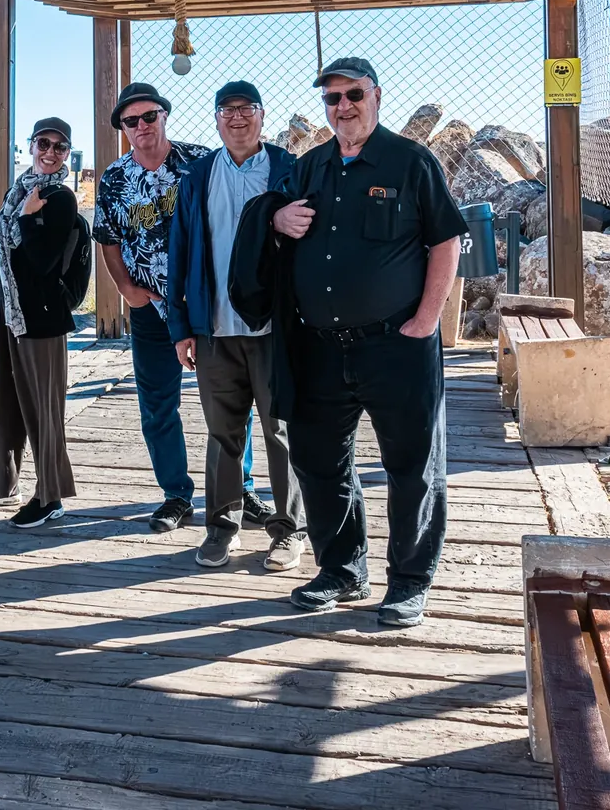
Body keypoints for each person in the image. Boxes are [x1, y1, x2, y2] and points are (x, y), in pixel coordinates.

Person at [230, 57, 467, 628]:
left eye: (353, 94)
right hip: (318, 347)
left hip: (397, 343)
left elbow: (446, 240)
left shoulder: (411, 162)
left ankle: (409, 581)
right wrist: (277, 216)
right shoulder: (311, 166)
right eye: (332, 98)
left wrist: (427, 320)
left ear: (376, 96)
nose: (343, 107)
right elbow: (273, 215)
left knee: (412, 464)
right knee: (319, 462)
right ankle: (342, 568)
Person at [166, 81, 308, 572]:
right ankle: (220, 528)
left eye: (247, 108)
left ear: (262, 115)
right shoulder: (198, 176)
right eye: (227, 110)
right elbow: (179, 255)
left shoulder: (288, 170)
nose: (237, 118)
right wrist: (181, 326)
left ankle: (289, 532)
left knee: (281, 432)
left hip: (274, 330)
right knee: (224, 434)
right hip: (214, 330)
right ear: (217, 119)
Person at [93, 81, 210, 532]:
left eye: (149, 116)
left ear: (165, 116)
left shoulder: (200, 162)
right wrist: (127, 289)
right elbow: (108, 240)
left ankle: (239, 491)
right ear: (122, 128)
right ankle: (175, 493)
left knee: (225, 400)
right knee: (158, 404)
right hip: (151, 307)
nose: (141, 126)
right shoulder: (115, 178)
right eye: (130, 120)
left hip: (202, 303)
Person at [0, 117, 85, 527]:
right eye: (43, 144)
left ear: (67, 153)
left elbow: (43, 262)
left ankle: (50, 496)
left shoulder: (61, 199)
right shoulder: (16, 193)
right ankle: (2, 481)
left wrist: (29, 219)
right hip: (2, 313)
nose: (50, 153)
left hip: (40, 319)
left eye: (59, 147)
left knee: (42, 410)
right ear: (30, 146)